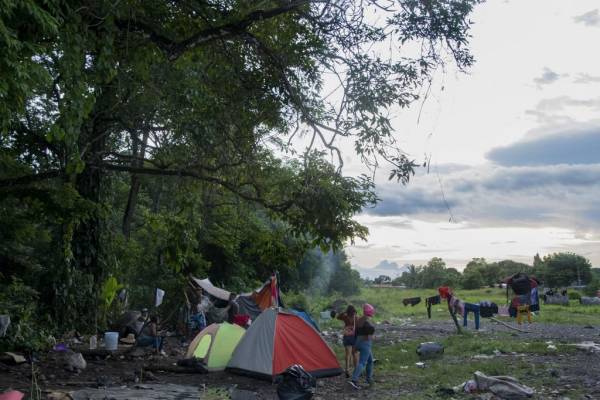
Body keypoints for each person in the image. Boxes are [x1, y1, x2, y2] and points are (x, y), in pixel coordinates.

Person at [349, 304, 375, 389]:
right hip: (365, 343)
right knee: (362, 362)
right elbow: (370, 330)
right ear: (370, 312)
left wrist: (355, 346)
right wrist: (372, 336)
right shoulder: (367, 320)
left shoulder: (359, 319)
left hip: (358, 342)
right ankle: (354, 380)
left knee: (370, 360)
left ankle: (369, 379)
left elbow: (355, 333)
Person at [336, 305, 358, 378]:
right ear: (354, 311)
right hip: (354, 337)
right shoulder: (356, 318)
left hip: (347, 336)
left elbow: (338, 317)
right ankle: (356, 370)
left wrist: (344, 312)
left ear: (347, 311)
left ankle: (347, 369)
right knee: (355, 354)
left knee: (347, 354)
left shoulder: (345, 317)